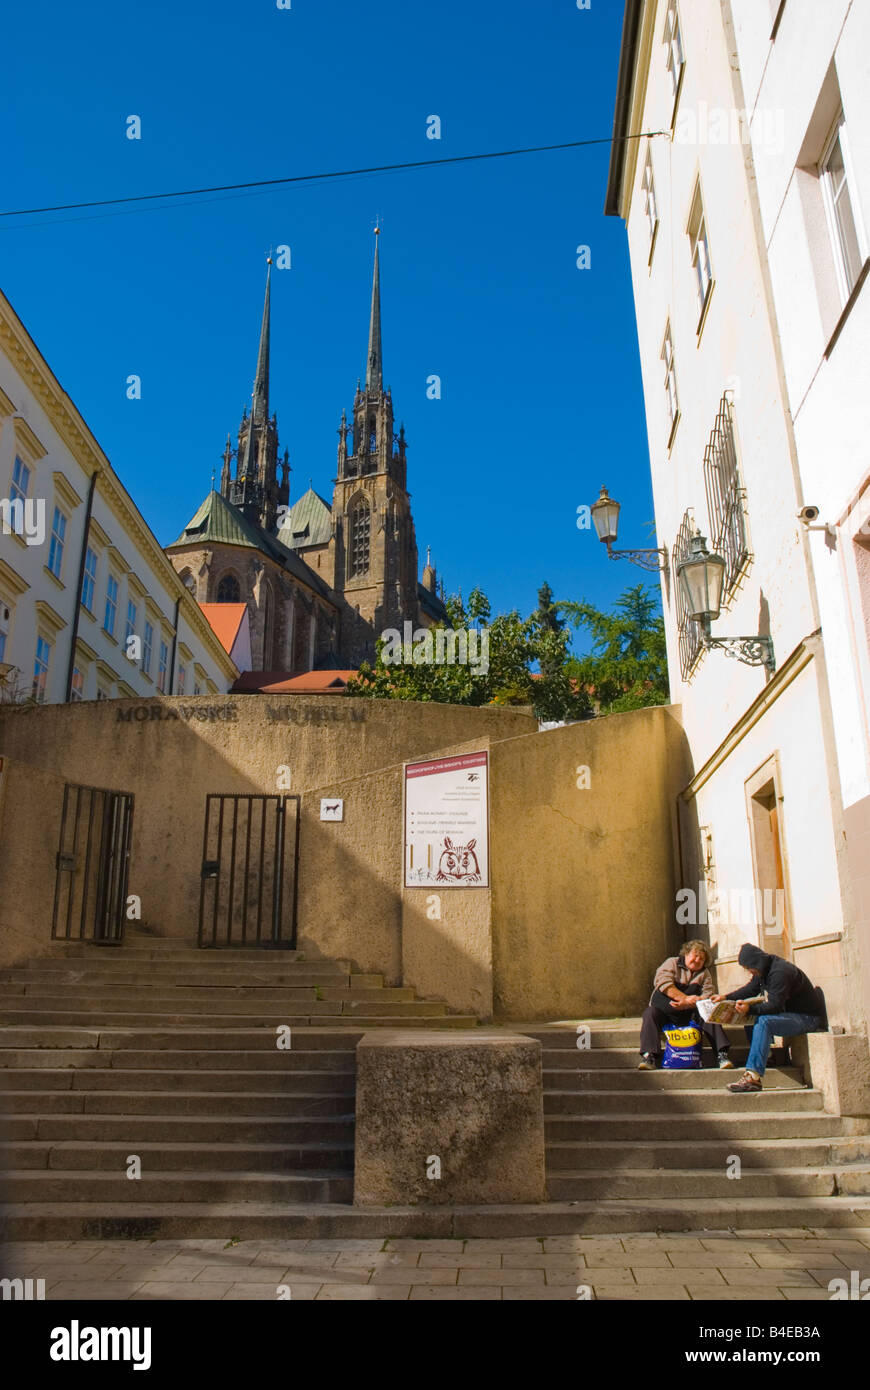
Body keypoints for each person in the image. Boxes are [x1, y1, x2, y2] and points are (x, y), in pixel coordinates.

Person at [711, 942, 824, 1093]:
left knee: (763, 1021)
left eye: (748, 968)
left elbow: (775, 1006)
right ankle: (767, 1056)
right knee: (751, 1017)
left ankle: (753, 1077)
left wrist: (749, 1008)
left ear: (755, 963)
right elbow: (751, 988)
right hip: (790, 1014)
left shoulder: (779, 973)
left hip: (807, 1018)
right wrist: (725, 997)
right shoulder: (764, 968)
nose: (749, 972)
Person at [638, 940, 732, 1069]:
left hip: (690, 1014)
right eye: (695, 955)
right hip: (666, 1010)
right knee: (650, 1013)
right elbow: (664, 983)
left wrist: (690, 1003)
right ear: (686, 954)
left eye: (702, 958)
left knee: (710, 1012)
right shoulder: (672, 963)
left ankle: (722, 1054)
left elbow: (708, 993)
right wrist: (685, 999)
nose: (697, 960)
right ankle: (649, 1056)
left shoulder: (704, 973)